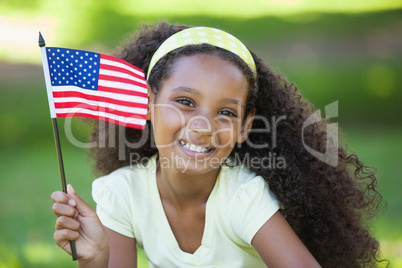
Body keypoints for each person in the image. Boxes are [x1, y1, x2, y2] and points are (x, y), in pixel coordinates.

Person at [51, 22, 385, 267]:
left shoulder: (243, 197)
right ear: (148, 105)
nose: (203, 127)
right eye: (185, 101)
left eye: (225, 111)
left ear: (245, 126)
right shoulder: (122, 193)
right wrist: (95, 258)